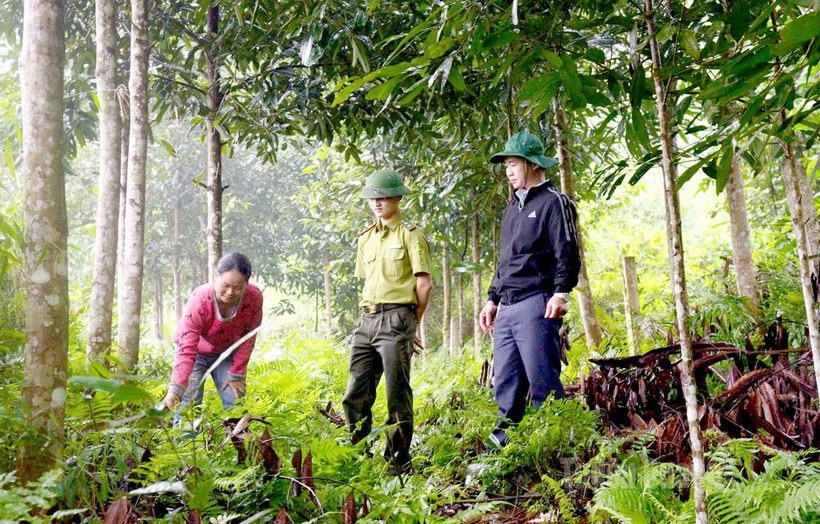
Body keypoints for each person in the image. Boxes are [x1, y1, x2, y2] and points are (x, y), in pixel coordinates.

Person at [478, 131, 581, 449]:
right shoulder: (512, 209)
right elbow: (504, 260)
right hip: (506, 308)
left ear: (533, 165)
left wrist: (561, 292)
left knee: (543, 380)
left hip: (537, 303)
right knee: (505, 382)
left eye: (513, 164)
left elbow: (568, 251)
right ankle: (506, 451)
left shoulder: (554, 203)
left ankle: (560, 449)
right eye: (506, 165)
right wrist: (491, 299)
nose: (508, 171)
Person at [342, 169, 433, 474]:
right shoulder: (366, 238)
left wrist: (412, 324)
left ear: (396, 197)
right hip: (366, 319)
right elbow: (368, 282)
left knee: (396, 392)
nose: (377, 203)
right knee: (356, 391)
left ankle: (397, 463)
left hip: (397, 318)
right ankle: (356, 457)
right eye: (372, 198)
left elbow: (424, 284)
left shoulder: (411, 234)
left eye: (383, 197)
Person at [162, 252, 264, 419]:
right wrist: (176, 388)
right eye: (225, 285)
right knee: (189, 405)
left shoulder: (254, 298)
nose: (230, 292)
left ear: (247, 284)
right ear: (215, 277)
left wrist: (236, 374)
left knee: (235, 400)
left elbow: (249, 337)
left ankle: (239, 443)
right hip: (195, 354)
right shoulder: (200, 300)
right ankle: (185, 445)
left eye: (238, 288)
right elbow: (187, 348)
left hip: (227, 353)